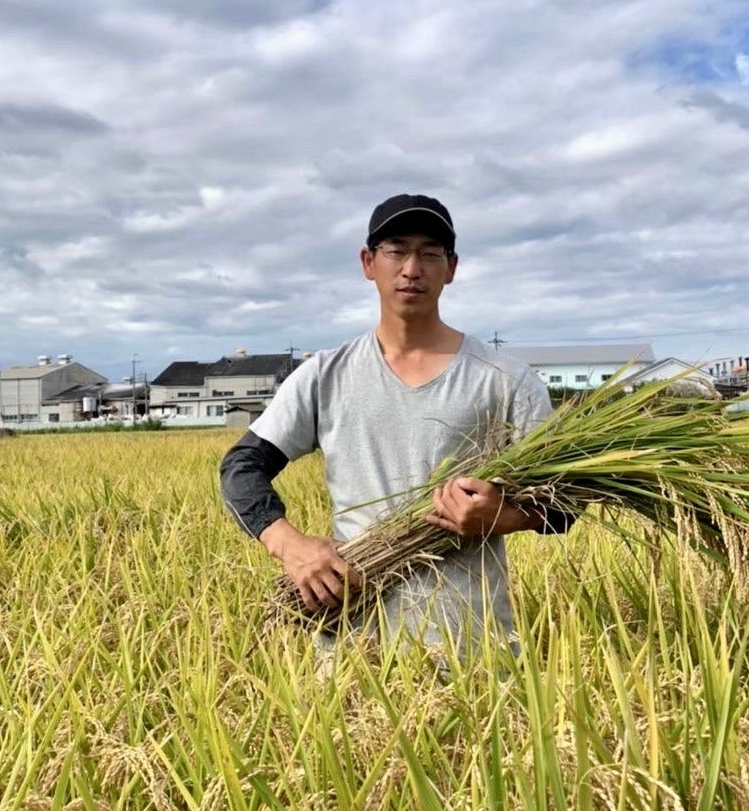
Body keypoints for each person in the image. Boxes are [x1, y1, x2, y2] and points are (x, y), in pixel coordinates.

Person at [219, 193, 570, 647]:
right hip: (352, 649)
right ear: (368, 263)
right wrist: (291, 545)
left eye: (429, 253)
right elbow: (241, 467)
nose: (412, 268)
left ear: (452, 267)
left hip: (475, 649)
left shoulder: (505, 380)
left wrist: (505, 517)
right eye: (397, 250)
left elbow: (563, 506)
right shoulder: (325, 376)